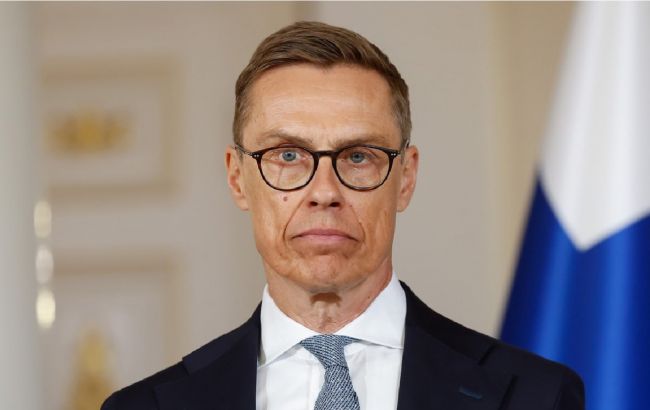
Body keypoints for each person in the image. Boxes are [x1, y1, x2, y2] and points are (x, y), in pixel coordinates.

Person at [102, 21, 584, 410]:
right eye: (288, 155)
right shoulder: (145, 406)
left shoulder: (537, 396)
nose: (324, 192)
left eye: (357, 156)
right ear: (237, 177)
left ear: (406, 178)